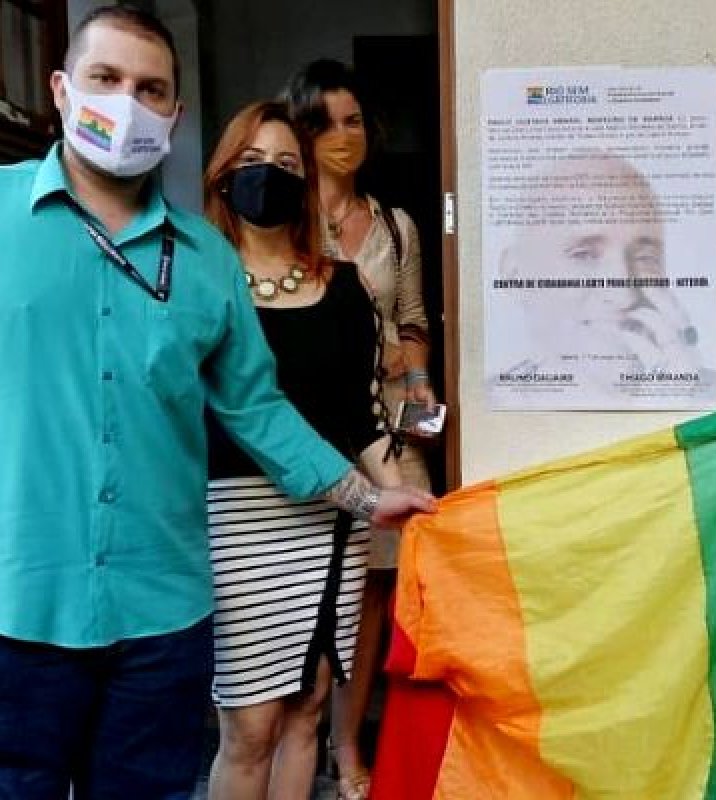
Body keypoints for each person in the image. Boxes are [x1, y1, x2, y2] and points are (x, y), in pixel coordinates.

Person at [0, 7, 433, 799]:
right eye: (106, 79)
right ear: (62, 89)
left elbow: (256, 409)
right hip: (20, 603)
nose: (127, 101)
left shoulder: (204, 262)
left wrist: (370, 499)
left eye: (150, 88)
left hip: (163, 613)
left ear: (174, 113)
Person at [202, 100, 404, 800]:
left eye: (287, 164)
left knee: (307, 711)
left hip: (334, 519)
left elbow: (365, 414)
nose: (270, 176)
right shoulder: (199, 281)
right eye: (252, 163)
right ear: (224, 175)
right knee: (249, 726)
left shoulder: (343, 286)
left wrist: (400, 493)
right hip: (233, 521)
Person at [282, 58, 435, 800]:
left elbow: (410, 322)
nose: (343, 137)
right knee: (305, 583)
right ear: (298, 131)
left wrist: (419, 388)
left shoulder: (397, 227)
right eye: (325, 123)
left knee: (374, 591)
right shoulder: (278, 214)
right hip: (303, 427)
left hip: (384, 432)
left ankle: (347, 745)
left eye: (353, 121)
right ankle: (292, 733)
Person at [487, 153, 715, 409]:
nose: (624, 295)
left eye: (644, 258)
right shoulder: (481, 408)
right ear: (515, 276)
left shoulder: (715, 398)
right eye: (583, 255)